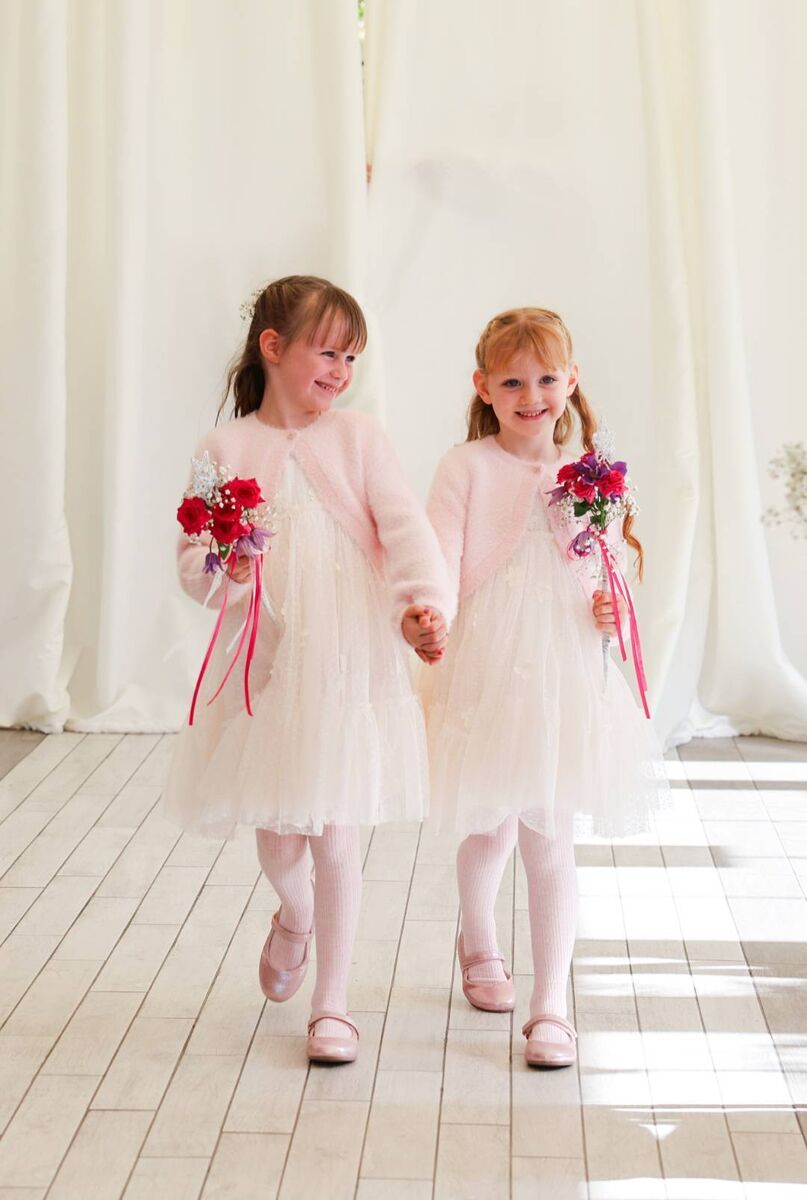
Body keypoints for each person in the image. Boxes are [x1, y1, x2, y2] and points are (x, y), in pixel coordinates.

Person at [164, 275, 448, 1064]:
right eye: (328, 353)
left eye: (351, 358)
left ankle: (332, 1003)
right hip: (270, 657)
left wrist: (423, 603)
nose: (341, 371)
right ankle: (294, 915)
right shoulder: (223, 449)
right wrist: (227, 566)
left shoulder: (359, 438)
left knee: (336, 832)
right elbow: (193, 561)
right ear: (274, 347)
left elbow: (405, 529)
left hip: (350, 655)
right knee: (281, 836)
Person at [425, 307, 667, 1067]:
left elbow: (607, 567)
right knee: (490, 825)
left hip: (562, 665)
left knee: (551, 836)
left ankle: (551, 1005)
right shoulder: (465, 467)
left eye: (545, 379)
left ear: (570, 380)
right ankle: (479, 942)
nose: (530, 396)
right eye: (511, 382)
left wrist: (607, 605)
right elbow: (437, 559)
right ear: (483, 387)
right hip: (487, 664)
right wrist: (429, 618)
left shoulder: (590, 474)